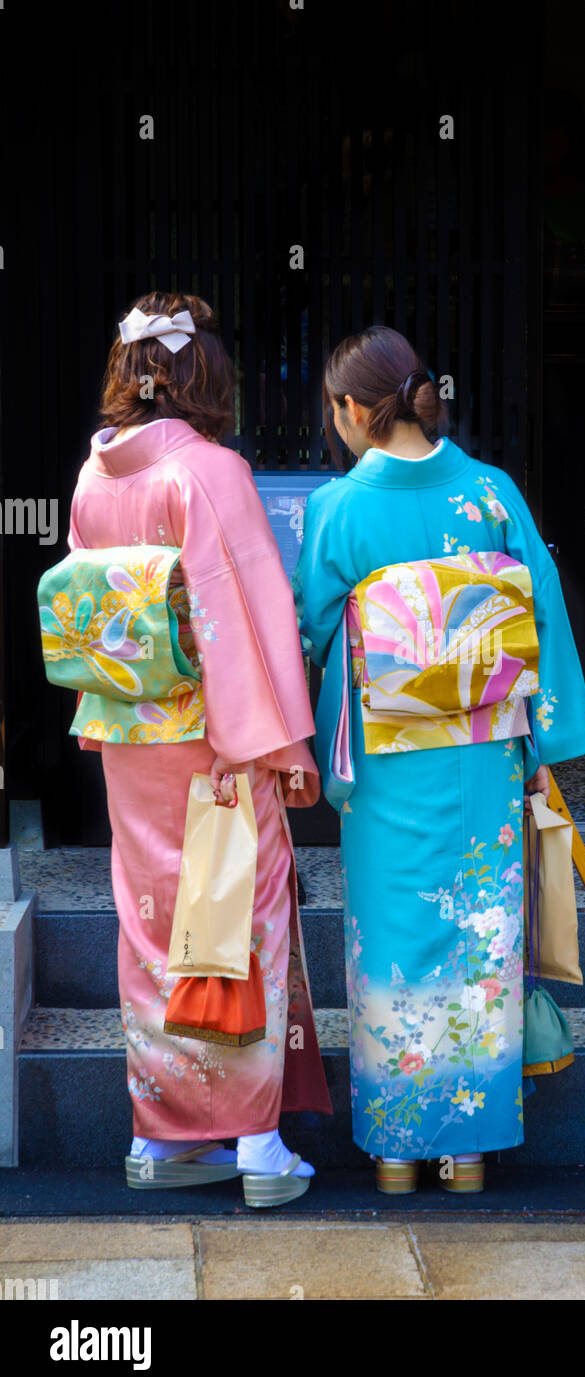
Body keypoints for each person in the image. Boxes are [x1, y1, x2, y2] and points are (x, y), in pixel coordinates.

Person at [294, 325, 585, 1194]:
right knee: (478, 936)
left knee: (392, 940)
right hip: (482, 759)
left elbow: (312, 634)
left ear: (354, 410)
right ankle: (467, 1149)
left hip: (388, 760)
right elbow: (541, 625)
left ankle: (394, 1150)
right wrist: (544, 746)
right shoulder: (491, 495)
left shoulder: (339, 511)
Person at [63, 292, 332, 1207]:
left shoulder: (93, 478)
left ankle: (163, 1136)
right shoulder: (209, 470)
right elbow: (246, 615)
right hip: (219, 739)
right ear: (207, 377)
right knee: (234, 923)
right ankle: (255, 1143)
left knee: (149, 928)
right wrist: (282, 744)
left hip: (130, 737)